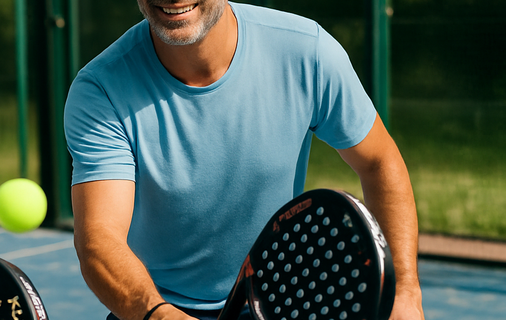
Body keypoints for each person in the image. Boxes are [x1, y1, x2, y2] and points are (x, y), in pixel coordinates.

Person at [63, 1, 424, 320]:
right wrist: (158, 315)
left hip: (278, 302)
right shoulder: (100, 91)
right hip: (152, 307)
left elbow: (379, 162)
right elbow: (99, 239)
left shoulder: (307, 51)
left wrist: (406, 292)